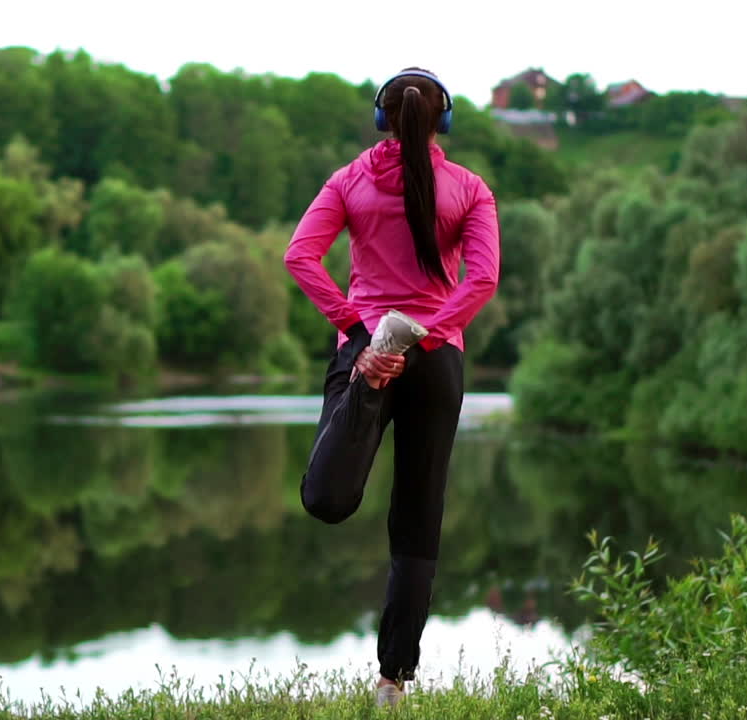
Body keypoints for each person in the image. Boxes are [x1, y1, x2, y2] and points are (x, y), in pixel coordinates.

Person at [283, 67, 500, 708]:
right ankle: (393, 681)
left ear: (381, 118)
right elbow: (481, 280)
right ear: (446, 122)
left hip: (369, 341)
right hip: (436, 357)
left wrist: (357, 330)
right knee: (417, 515)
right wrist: (428, 335)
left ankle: (371, 370)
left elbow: (301, 254)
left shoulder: (349, 179)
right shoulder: (469, 189)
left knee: (327, 498)